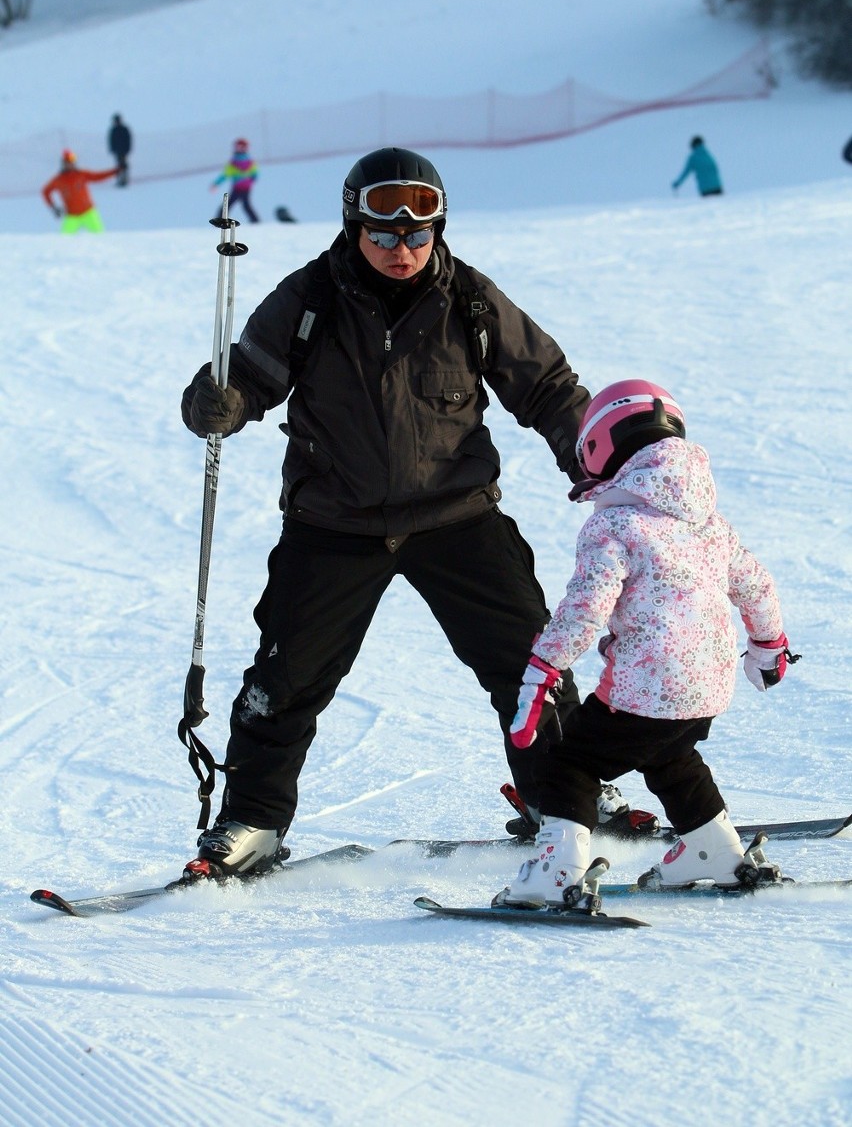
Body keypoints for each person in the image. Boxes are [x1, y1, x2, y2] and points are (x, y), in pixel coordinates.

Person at [178, 145, 638, 879]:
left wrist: (602, 457)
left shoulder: (472, 301)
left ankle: (564, 796)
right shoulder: (308, 300)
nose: (403, 250)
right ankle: (252, 823)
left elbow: (548, 389)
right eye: (385, 235)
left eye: (419, 234)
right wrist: (217, 404)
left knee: (530, 664)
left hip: (456, 515)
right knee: (284, 678)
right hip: (334, 521)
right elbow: (246, 381)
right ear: (354, 227)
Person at [497, 379, 799, 907]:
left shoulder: (615, 523)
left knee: (569, 763)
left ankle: (555, 873)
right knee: (671, 755)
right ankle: (712, 850)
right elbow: (756, 584)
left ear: (599, 447)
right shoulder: (710, 524)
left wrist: (542, 671)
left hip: (642, 690)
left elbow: (584, 611)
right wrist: (768, 645)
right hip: (706, 689)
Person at [41, 149, 118, 233]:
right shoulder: (58, 180)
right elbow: (45, 191)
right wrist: (53, 207)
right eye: (68, 161)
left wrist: (115, 171)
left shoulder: (81, 174)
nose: (71, 164)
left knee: (100, 236)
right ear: (63, 163)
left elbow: (98, 176)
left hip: (89, 213)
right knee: (64, 241)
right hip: (72, 216)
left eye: (73, 161)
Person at [211, 138, 260, 222]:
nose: (240, 148)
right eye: (238, 146)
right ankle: (220, 220)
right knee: (228, 204)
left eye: (242, 146)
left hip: (245, 188)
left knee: (246, 205)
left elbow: (255, 174)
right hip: (237, 188)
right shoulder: (233, 162)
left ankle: (256, 221)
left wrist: (249, 180)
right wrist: (216, 184)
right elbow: (225, 175)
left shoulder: (249, 162)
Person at [108, 114, 132, 186]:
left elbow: (128, 139)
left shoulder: (124, 129)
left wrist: (127, 148)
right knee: (119, 165)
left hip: (123, 150)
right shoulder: (114, 130)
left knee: (123, 165)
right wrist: (112, 149)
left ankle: (124, 179)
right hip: (117, 151)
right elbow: (111, 140)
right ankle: (120, 179)